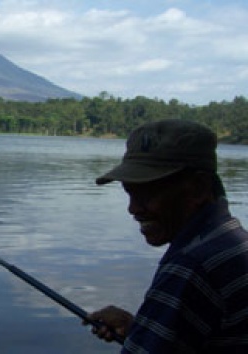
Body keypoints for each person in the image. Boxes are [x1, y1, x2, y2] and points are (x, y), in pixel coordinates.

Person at [85, 119, 248, 353]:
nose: (133, 208)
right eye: (130, 193)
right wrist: (141, 329)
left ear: (199, 188)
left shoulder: (191, 267)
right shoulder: (232, 244)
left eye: (147, 193)